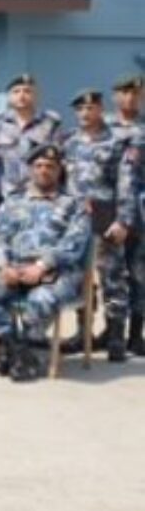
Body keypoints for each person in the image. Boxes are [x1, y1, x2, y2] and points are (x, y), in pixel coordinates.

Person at [0, 144, 90, 382]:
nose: (44, 170)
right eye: (39, 166)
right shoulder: (13, 202)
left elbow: (74, 244)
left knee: (40, 300)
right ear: (30, 169)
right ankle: (16, 347)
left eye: (50, 167)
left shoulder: (74, 205)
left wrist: (41, 266)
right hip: (15, 269)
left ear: (59, 171)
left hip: (57, 272)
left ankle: (24, 351)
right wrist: (4, 266)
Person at [60, 89, 132, 360]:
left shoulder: (115, 142)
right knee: (81, 279)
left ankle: (115, 337)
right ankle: (83, 333)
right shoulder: (68, 142)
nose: (85, 113)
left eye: (90, 108)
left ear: (100, 109)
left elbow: (125, 184)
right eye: (80, 109)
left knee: (113, 278)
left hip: (106, 215)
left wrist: (123, 220)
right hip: (77, 218)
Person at [108, 74, 145, 355]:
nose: (130, 98)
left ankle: (136, 334)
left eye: (135, 93)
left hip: (141, 214)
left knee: (138, 275)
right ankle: (109, 332)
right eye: (124, 93)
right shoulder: (104, 128)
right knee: (109, 273)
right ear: (115, 97)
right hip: (110, 212)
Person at [0, 73, 63, 202]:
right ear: (9, 97)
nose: (22, 96)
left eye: (27, 91)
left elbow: (58, 160)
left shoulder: (50, 122)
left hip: (41, 194)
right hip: (5, 195)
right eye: (16, 91)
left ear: (35, 96)